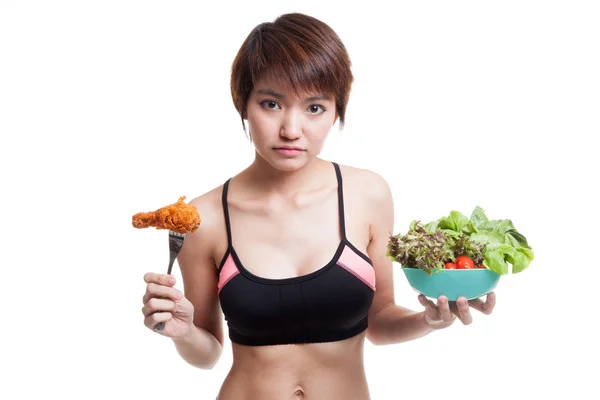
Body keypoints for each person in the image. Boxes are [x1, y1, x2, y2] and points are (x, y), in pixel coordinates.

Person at [140, 12, 496, 400]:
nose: (292, 130)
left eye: (314, 108)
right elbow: (208, 353)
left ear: (336, 112)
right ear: (244, 105)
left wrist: (427, 320)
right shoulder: (204, 217)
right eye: (271, 103)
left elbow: (378, 321)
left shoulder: (367, 194)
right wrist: (184, 331)